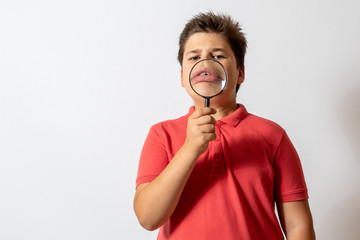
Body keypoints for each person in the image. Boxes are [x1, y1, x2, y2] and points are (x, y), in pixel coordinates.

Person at [134, 12, 315, 240]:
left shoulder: (272, 135)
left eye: (218, 55)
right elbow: (148, 218)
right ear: (183, 77)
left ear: (240, 73)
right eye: (194, 57)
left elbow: (298, 224)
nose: (206, 62)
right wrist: (191, 148)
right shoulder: (162, 134)